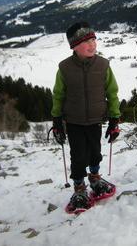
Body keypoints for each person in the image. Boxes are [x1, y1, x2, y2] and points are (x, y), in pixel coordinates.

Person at [51, 21, 121, 211]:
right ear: (74, 46)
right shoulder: (65, 68)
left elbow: (112, 92)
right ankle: (80, 188)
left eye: (93, 40)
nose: (92, 45)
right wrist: (57, 120)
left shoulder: (103, 65)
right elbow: (58, 95)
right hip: (73, 121)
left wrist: (114, 119)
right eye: (86, 42)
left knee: (95, 153)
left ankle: (96, 179)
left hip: (95, 120)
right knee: (78, 156)